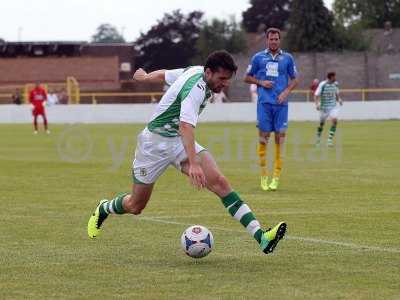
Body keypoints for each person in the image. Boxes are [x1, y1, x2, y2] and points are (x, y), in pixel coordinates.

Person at [87, 50, 287, 255]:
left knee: (220, 182)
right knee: (136, 205)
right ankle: (105, 208)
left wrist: (147, 76)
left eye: (228, 79)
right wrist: (193, 163)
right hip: (153, 145)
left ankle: (261, 237)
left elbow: (166, 75)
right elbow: (185, 125)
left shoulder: (195, 70)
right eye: (222, 78)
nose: (225, 83)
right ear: (209, 73)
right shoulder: (196, 88)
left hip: (178, 142)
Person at [244, 28, 299, 191]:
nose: (274, 41)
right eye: (271, 39)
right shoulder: (258, 58)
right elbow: (246, 77)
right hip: (264, 104)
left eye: (276, 39)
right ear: (266, 40)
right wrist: (261, 83)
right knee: (263, 139)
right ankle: (263, 176)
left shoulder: (287, 58)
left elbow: (295, 80)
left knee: (280, 140)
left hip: (281, 105)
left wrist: (286, 92)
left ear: (279, 40)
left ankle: (275, 177)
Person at [314, 72, 343, 147]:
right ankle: (318, 139)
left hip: (333, 106)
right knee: (321, 124)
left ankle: (329, 141)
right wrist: (317, 104)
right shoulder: (322, 84)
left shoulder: (335, 84)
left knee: (335, 120)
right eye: (334, 77)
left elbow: (336, 93)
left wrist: (339, 99)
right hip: (323, 107)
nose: (335, 78)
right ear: (330, 77)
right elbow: (316, 95)